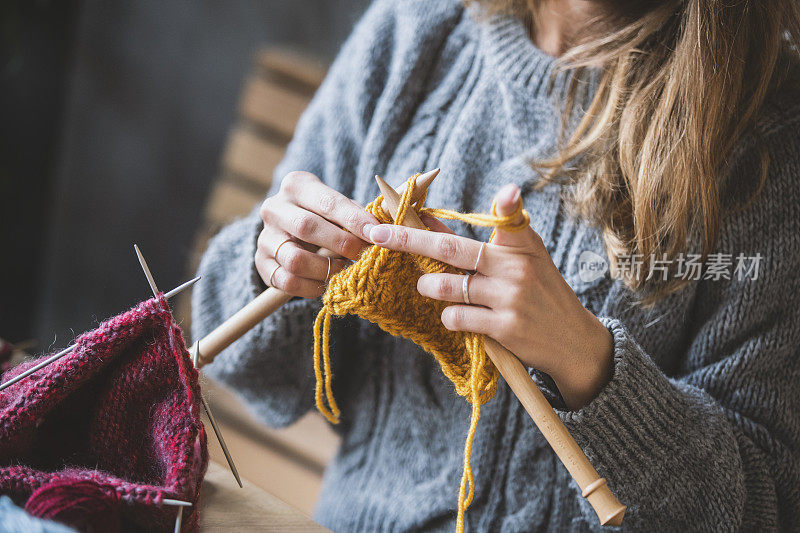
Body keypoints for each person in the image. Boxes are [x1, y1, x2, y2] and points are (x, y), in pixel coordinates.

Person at [192, 0, 800, 530]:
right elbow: (249, 363)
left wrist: (586, 360)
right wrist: (271, 265)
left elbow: (763, 510)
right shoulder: (418, 27)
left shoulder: (766, 142)